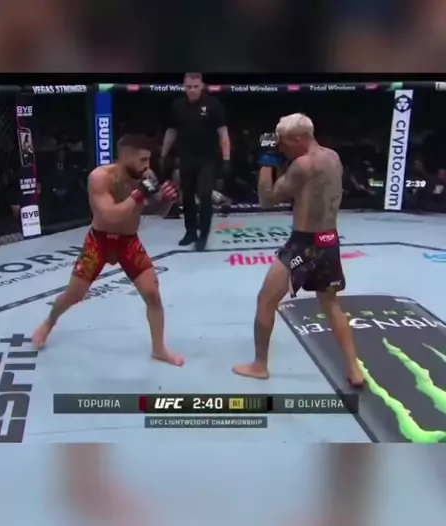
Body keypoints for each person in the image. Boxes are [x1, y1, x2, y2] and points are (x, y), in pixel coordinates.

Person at [233, 114, 364, 387]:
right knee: (331, 304)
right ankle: (354, 369)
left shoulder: (302, 165)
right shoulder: (333, 157)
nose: (281, 148)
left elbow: (266, 199)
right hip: (329, 240)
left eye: (283, 143)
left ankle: (259, 366)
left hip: (305, 245)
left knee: (265, 300)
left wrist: (267, 159)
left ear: (298, 139)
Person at [32, 134, 184, 367]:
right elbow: (110, 215)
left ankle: (159, 349)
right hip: (100, 242)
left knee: (152, 292)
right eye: (142, 160)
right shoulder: (100, 177)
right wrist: (138, 194)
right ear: (126, 156)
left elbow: (156, 212)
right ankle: (49, 323)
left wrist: (167, 201)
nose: (147, 166)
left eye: (149, 160)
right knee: (74, 294)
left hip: (128, 242)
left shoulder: (146, 176)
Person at [160, 72, 231, 250]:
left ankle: (203, 234)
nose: (192, 90)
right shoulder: (177, 105)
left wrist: (226, 158)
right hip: (186, 157)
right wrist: (163, 154)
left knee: (205, 194)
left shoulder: (213, 104)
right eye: (189, 87)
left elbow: (223, 133)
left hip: (207, 158)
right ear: (184, 87)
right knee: (187, 196)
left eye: (195, 87)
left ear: (202, 86)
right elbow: (172, 131)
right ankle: (190, 232)